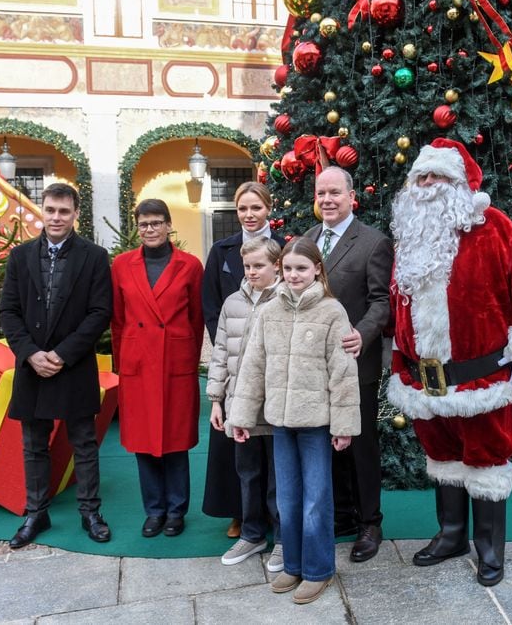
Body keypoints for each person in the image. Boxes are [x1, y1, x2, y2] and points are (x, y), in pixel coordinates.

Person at [387, 138, 512, 586]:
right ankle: (451, 535)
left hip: (482, 377)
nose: (427, 184)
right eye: (421, 176)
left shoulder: (495, 227)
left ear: (460, 183)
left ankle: (489, 550)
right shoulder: (410, 234)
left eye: (437, 176)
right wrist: (399, 358)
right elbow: (399, 304)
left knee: (486, 462)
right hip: (424, 380)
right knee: (441, 456)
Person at [228, 237, 361, 605]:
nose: (294, 274)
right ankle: (294, 564)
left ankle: (318, 570)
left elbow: (342, 373)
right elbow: (253, 368)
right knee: (287, 497)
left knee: (317, 498)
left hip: (316, 425)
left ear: (317, 268)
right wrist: (242, 417)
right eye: (288, 268)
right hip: (280, 424)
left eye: (301, 268)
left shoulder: (333, 312)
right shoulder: (269, 312)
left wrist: (343, 425)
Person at [0, 183, 113, 549]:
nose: (56, 218)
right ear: (41, 211)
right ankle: (36, 513)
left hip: (74, 364)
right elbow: (8, 311)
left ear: (76, 213)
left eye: (64, 211)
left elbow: (100, 312)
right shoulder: (19, 257)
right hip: (32, 365)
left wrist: (62, 355)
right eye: (50, 210)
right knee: (34, 444)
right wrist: (31, 354)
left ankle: (90, 512)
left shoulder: (94, 256)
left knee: (84, 442)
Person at [303, 167, 392, 563]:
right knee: (326, 443)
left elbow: (381, 301)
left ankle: (369, 522)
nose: (327, 200)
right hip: (314, 366)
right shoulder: (305, 242)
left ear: (352, 196)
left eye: (335, 192)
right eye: (321, 192)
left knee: (359, 446)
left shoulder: (373, 242)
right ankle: (339, 515)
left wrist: (363, 333)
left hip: (356, 362)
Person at [111, 199, 204, 538]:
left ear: (168, 225)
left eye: (155, 223)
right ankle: (154, 511)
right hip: (137, 363)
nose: (149, 229)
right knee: (143, 440)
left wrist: (188, 359)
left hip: (174, 362)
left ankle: (176, 510)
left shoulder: (190, 265)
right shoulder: (121, 265)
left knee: (175, 439)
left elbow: (196, 317)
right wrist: (123, 364)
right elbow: (118, 319)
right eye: (143, 223)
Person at [202, 182, 285, 538]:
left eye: (256, 208)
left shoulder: (286, 248)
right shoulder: (222, 250)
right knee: (237, 447)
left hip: (272, 365)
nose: (249, 215)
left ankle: (278, 518)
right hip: (235, 357)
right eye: (242, 209)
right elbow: (211, 305)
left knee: (273, 450)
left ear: (269, 208)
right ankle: (239, 512)